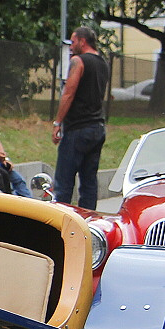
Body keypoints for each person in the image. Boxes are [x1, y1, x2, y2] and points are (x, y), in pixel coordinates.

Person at [51, 26, 110, 209]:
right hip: (97, 127)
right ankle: (88, 219)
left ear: (82, 41)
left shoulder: (78, 61)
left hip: (78, 128)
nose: (71, 46)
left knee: (64, 182)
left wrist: (58, 122)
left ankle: (60, 218)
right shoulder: (103, 63)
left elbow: (69, 93)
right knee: (89, 182)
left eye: (73, 41)